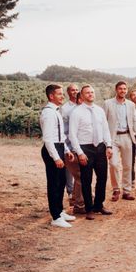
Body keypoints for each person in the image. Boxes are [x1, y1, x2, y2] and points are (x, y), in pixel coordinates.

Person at [69, 85, 114, 220]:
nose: (90, 94)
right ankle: (89, 209)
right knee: (86, 179)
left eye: (92, 92)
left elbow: (105, 129)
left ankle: (99, 205)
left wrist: (109, 146)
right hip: (85, 148)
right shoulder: (76, 112)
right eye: (87, 93)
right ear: (81, 96)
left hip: (100, 147)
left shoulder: (99, 111)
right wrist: (80, 153)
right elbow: (72, 135)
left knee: (102, 177)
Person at [40, 84, 77, 228]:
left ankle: (60, 211)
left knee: (61, 182)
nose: (63, 96)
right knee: (54, 183)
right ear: (51, 96)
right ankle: (55, 217)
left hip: (60, 147)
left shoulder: (56, 111)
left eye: (62, 94)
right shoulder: (48, 113)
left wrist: (66, 150)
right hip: (52, 150)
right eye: (59, 94)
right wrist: (56, 157)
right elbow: (48, 139)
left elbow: (60, 135)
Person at [104, 81, 136, 201]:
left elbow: (134, 121)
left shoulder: (131, 105)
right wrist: (105, 140)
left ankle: (127, 191)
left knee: (128, 165)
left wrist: (135, 134)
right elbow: (104, 122)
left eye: (124, 89)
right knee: (113, 164)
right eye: (120, 89)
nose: (122, 91)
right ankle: (116, 189)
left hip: (127, 136)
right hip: (113, 138)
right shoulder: (107, 103)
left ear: (126, 90)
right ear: (116, 90)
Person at [60, 83, 85, 214]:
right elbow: (65, 131)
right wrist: (67, 148)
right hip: (71, 147)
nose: (75, 92)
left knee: (79, 174)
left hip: (81, 146)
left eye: (77, 90)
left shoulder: (82, 108)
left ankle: (76, 199)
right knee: (78, 174)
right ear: (68, 93)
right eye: (73, 90)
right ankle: (77, 201)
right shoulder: (66, 109)